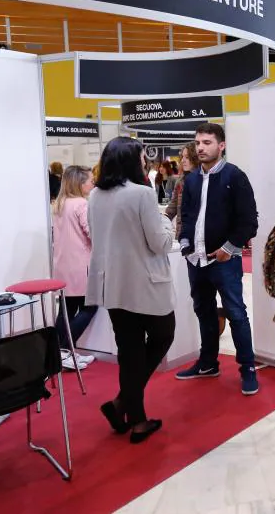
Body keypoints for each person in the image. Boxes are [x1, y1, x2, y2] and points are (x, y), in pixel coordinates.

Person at [86, 137, 175, 444]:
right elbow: (160, 242)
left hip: (113, 285)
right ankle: (125, 405)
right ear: (129, 160)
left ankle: (131, 413)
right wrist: (167, 222)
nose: (145, 162)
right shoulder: (142, 194)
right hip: (146, 283)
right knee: (163, 335)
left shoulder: (95, 195)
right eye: (141, 157)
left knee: (130, 352)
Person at [176, 123, 260, 395]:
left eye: (207, 142)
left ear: (221, 145)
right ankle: (208, 362)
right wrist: (186, 245)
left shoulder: (235, 177)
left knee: (236, 313)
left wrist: (229, 248)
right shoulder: (191, 180)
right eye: (198, 142)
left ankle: (247, 368)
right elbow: (187, 217)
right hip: (196, 260)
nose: (201, 147)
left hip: (224, 261)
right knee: (204, 312)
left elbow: (249, 222)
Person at [52, 165, 98, 370]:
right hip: (81, 265)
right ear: (80, 183)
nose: (92, 183)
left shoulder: (59, 204)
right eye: (89, 180)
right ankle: (65, 351)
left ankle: (57, 354)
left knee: (66, 311)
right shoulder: (81, 204)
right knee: (89, 307)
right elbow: (91, 233)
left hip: (63, 265)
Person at [164, 143, 200, 239]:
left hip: (201, 236)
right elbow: (173, 207)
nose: (183, 160)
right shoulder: (180, 181)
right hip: (183, 234)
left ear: (195, 158)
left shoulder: (205, 181)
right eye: (182, 157)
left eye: (187, 157)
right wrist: (162, 219)